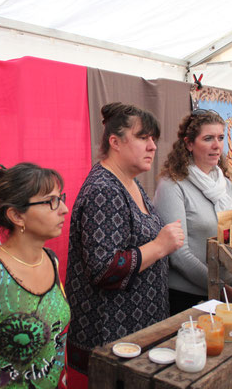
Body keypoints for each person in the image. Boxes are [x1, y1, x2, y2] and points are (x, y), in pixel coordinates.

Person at [65, 102, 184, 384]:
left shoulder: (129, 181)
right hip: (111, 338)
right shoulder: (104, 190)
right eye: (143, 137)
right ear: (115, 142)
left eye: (153, 139)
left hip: (136, 335)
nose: (153, 146)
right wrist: (159, 246)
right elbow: (104, 269)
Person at [0, 162, 71, 389]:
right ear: (17, 216)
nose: (64, 209)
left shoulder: (50, 259)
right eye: (51, 201)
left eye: (61, 198)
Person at [153, 109, 232, 315]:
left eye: (220, 137)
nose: (217, 145)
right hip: (188, 297)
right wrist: (220, 287)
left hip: (224, 291)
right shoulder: (173, 185)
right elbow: (178, 254)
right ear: (189, 144)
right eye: (208, 138)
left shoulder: (224, 185)